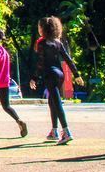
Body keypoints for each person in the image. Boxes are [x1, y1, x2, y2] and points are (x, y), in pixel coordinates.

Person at [28, 17, 82, 145]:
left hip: (50, 74)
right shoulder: (57, 42)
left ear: (43, 29)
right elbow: (68, 59)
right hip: (59, 74)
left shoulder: (42, 43)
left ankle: (66, 131)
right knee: (52, 101)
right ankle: (54, 131)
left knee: (56, 102)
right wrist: (77, 75)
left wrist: (34, 78)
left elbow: (40, 63)